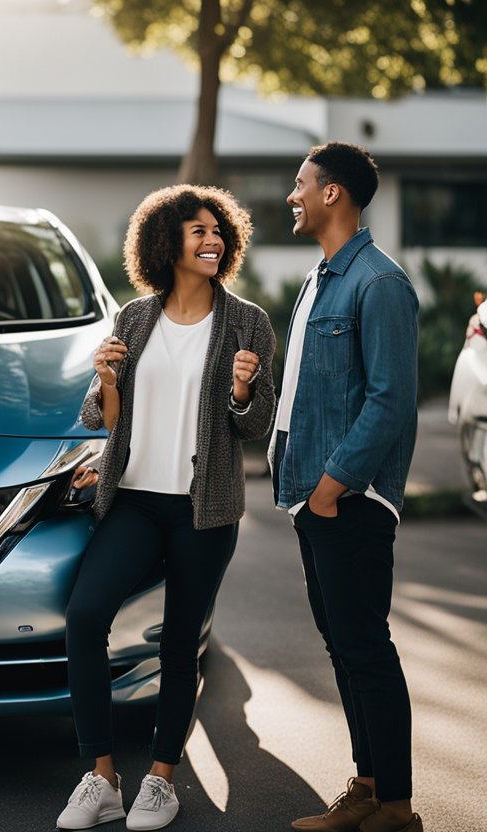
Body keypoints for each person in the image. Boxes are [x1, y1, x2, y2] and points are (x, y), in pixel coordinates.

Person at [56, 185, 275, 831]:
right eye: (197, 232)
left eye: (218, 231)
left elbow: (256, 424)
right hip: (134, 500)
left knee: (181, 645)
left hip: (203, 508)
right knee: (85, 616)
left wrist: (241, 388)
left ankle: (160, 779)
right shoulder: (134, 318)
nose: (212, 240)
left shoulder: (248, 322)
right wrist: (105, 382)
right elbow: (103, 419)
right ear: (165, 244)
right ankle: (100, 778)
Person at [273, 142, 421, 832]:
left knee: (365, 646)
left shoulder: (378, 283)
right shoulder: (322, 279)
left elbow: (391, 401)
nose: (292, 195)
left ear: (334, 193)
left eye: (301, 184)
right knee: (345, 645)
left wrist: (334, 487)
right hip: (314, 495)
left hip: (348, 499)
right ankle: (367, 787)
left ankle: (395, 806)